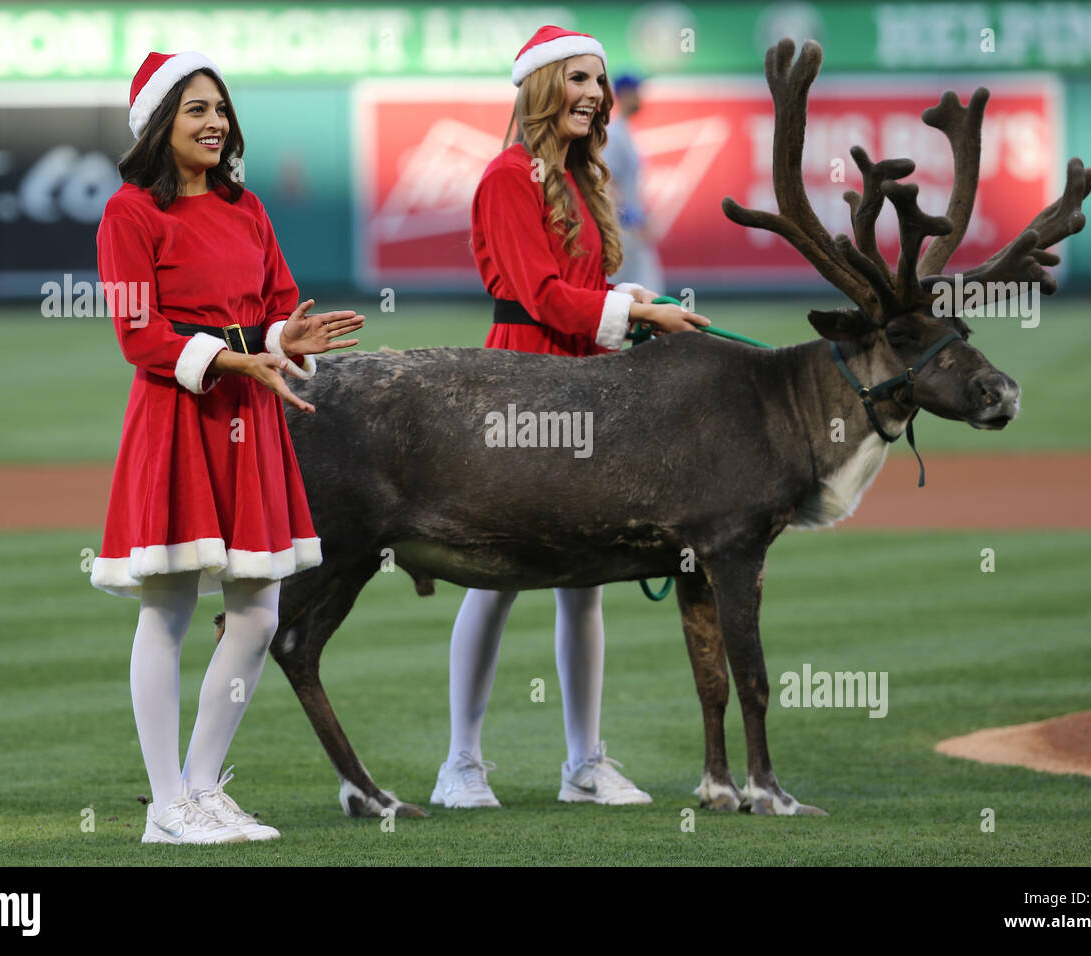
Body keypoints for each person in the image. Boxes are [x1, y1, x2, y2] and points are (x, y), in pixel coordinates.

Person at [90, 51, 365, 844]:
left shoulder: (248, 209)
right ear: (157, 124)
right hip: (178, 419)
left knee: (257, 611)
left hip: (250, 419)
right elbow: (140, 335)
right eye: (194, 110)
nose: (215, 123)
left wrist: (288, 336)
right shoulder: (129, 213)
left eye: (220, 108)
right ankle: (165, 804)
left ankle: (204, 787)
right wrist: (235, 355)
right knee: (170, 608)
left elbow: (276, 309)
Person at [431, 26, 709, 809]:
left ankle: (585, 763)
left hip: (586, 377)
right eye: (577, 79)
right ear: (543, 88)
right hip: (522, 377)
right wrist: (636, 309)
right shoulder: (505, 177)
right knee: (496, 575)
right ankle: (461, 764)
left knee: (584, 581)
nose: (592, 93)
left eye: (597, 81)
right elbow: (544, 296)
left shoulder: (582, 174)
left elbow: (582, 295)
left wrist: (639, 312)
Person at [605, 73, 665, 294]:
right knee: (624, 291)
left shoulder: (625, 131)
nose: (641, 98)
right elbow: (608, 181)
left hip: (630, 226)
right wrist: (630, 217)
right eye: (637, 92)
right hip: (620, 228)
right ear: (625, 94)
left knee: (643, 289)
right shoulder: (613, 133)